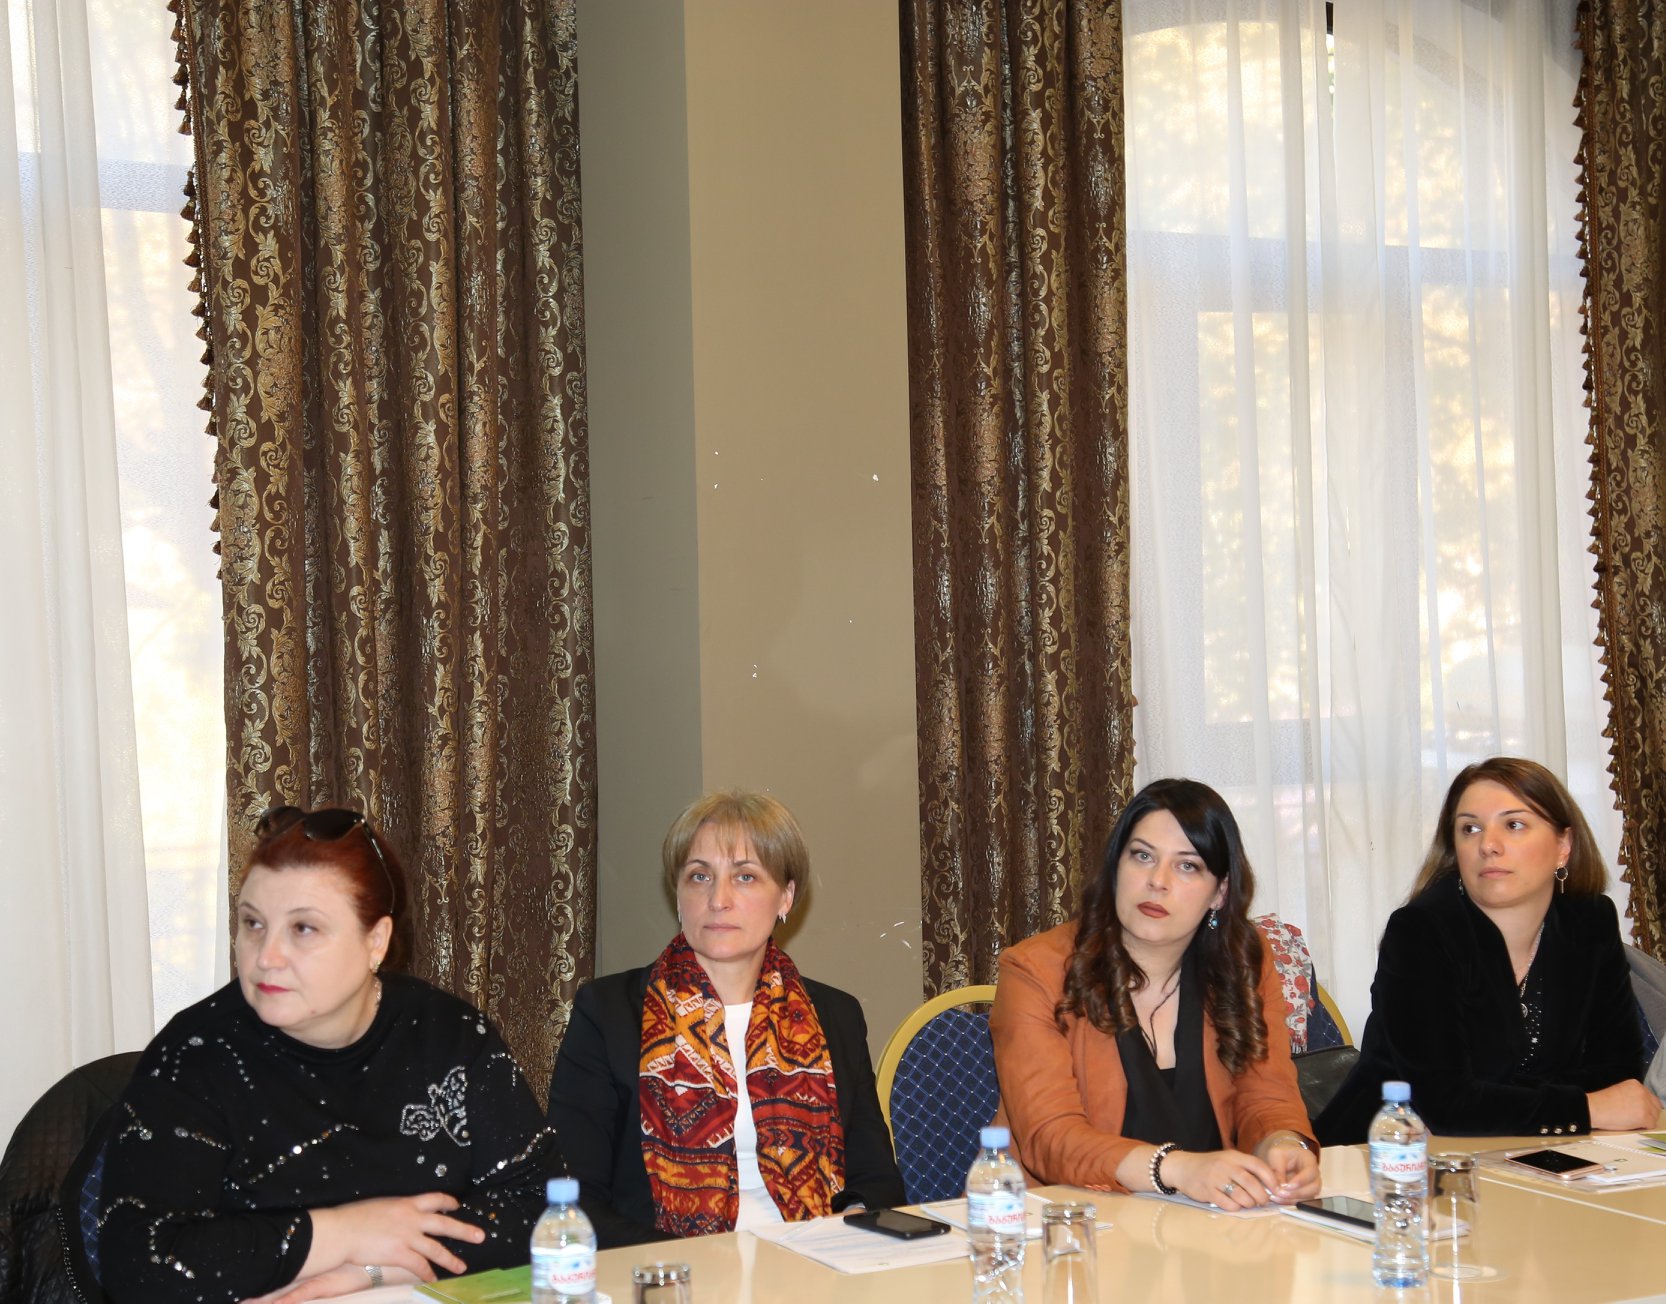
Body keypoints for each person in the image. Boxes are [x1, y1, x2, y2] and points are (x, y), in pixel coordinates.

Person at [96, 807, 558, 1304]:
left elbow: (547, 1209)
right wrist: (341, 1233)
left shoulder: (450, 1036)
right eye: (253, 923)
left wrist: (377, 1270)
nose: (265, 956)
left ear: (376, 941)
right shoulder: (196, 1054)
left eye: (303, 929)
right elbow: (138, 1263)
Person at [547, 790, 904, 1246]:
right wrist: (693, 1265)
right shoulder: (608, 1012)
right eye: (699, 876)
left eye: (745, 877)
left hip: (815, 1258)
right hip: (670, 1266)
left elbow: (876, 1178)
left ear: (786, 897)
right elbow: (574, 1197)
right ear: (678, 895)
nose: (718, 898)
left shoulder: (835, 1014)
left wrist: (847, 1233)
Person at [990, 778, 1320, 1208]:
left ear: (1220, 893)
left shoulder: (1242, 965)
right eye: (1142, 856)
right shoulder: (1035, 971)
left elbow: (1268, 1097)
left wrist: (1283, 1144)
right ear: (1116, 867)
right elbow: (1050, 1138)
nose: (1157, 881)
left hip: (1206, 1222)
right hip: (1063, 1224)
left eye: (1187, 866)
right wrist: (1177, 1169)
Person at [1317, 757, 1660, 1143]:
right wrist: (1586, 1107)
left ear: (1563, 846)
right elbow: (1447, 1105)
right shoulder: (1420, 932)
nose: (1488, 845)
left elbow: (1617, 1074)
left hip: (1536, 1148)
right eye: (1470, 828)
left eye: (1513, 825)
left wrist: (1501, 1106)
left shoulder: (1590, 922)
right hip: (1384, 1154)